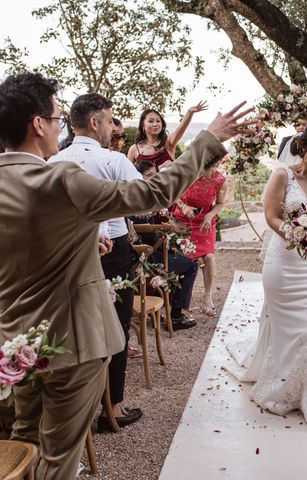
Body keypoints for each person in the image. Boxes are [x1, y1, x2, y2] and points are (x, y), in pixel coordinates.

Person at [0, 71, 251, 479]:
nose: (59, 127)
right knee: (60, 454)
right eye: (58, 118)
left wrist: (83, 241)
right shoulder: (58, 180)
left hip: (12, 343)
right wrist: (210, 138)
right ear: (38, 124)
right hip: (72, 342)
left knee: (25, 437)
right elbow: (149, 196)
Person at [226, 122, 307, 429]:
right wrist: (293, 231)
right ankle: (283, 387)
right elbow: (271, 215)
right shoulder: (283, 175)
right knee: (285, 328)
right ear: (304, 148)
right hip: (282, 262)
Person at [48, 93, 145, 433]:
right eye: (109, 120)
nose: (111, 127)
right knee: (113, 325)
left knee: (75, 324)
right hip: (113, 248)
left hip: (69, 251)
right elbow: (144, 200)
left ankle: (74, 408)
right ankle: (113, 406)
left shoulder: (52, 161)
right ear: (94, 122)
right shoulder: (113, 160)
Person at [171, 163, 228, 315]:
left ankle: (208, 296)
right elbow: (172, 193)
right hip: (183, 221)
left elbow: (220, 203)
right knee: (186, 258)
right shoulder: (186, 172)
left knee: (209, 257)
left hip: (205, 223)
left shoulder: (221, 180)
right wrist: (183, 206)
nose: (211, 170)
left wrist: (210, 215)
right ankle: (185, 295)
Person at [127, 101, 208, 170]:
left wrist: (190, 112)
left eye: (158, 121)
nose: (155, 124)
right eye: (151, 121)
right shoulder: (134, 149)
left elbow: (180, 129)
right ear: (142, 125)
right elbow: (127, 175)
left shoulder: (168, 142)